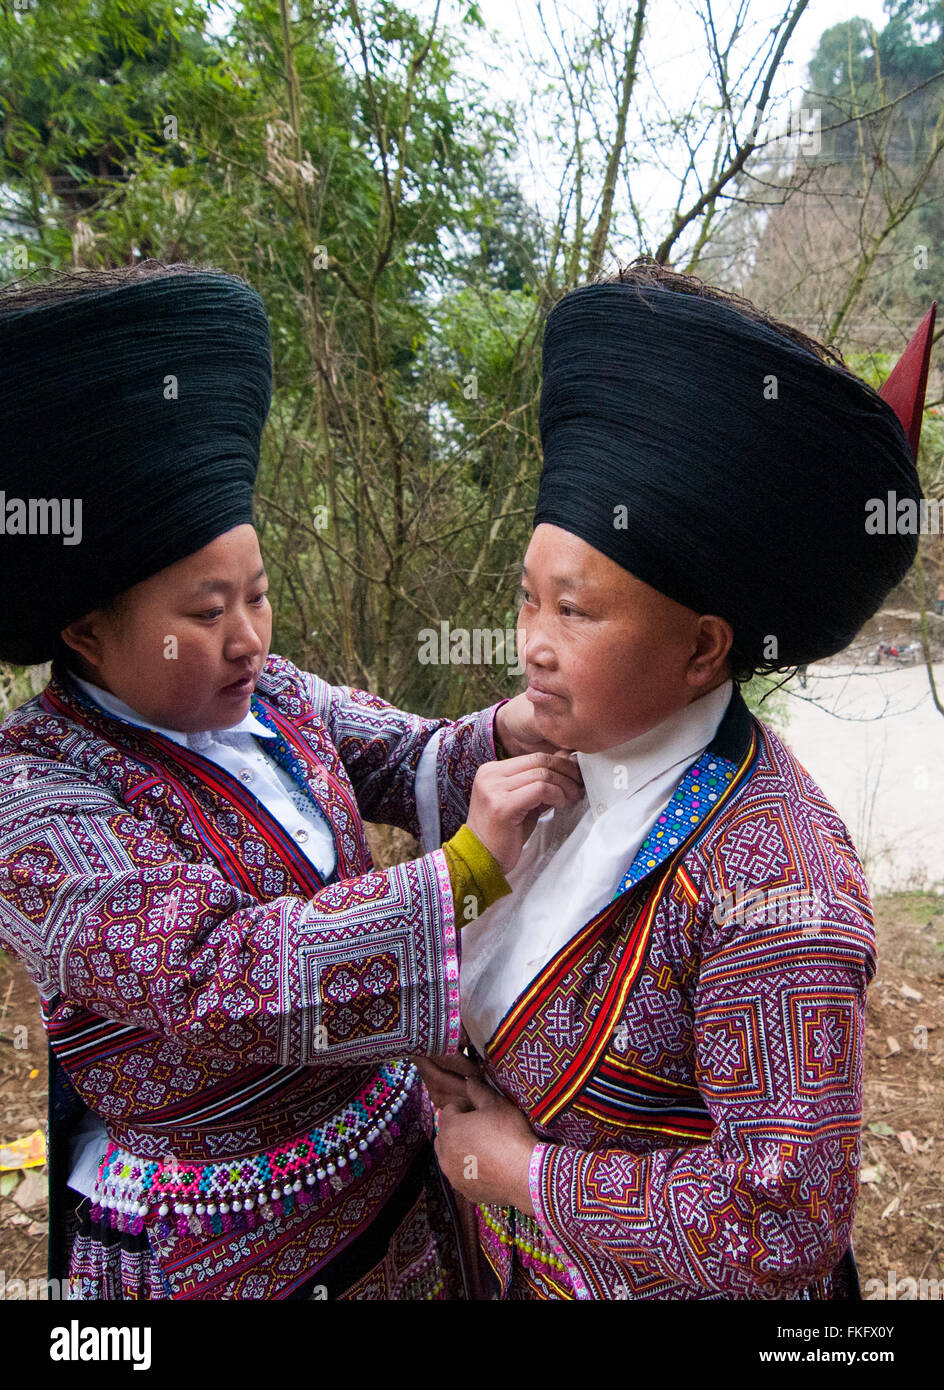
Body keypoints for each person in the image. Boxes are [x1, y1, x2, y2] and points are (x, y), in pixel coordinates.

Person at [0, 262, 581, 1299]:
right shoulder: (36, 802)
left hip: (393, 1169)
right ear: (85, 629)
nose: (248, 638)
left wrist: (519, 725)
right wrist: (464, 876)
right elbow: (215, 974)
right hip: (225, 1245)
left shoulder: (270, 694)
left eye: (258, 596)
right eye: (205, 612)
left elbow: (407, 755)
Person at [422, 261, 933, 1300]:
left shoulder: (778, 882)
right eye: (525, 599)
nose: (531, 646)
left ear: (701, 651)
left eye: (575, 611)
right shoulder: (543, 777)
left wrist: (521, 1173)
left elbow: (783, 1217)